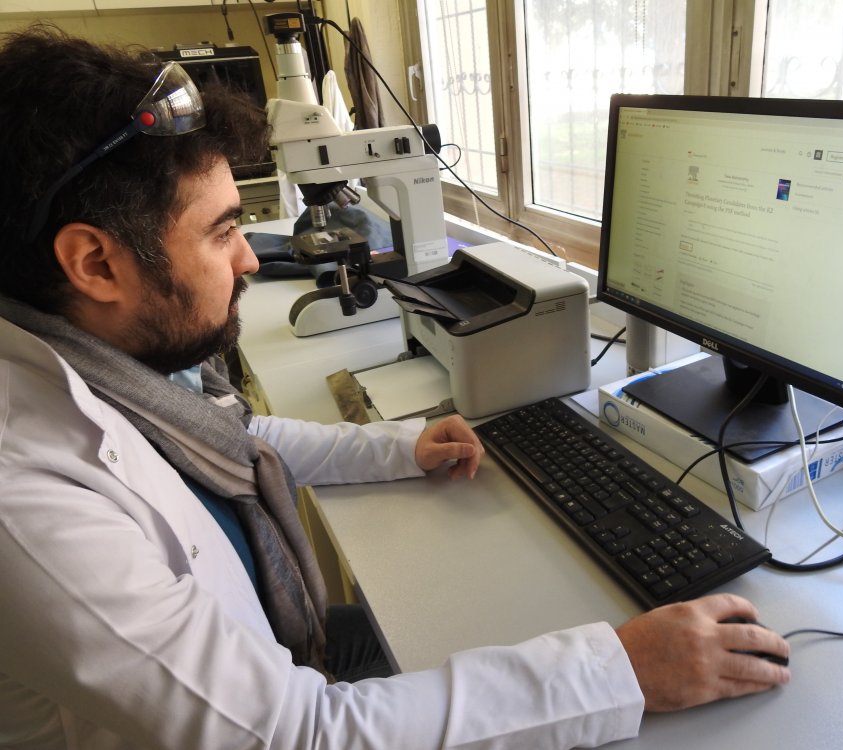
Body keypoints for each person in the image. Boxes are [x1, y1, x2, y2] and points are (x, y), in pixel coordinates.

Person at [0, 25, 790, 750]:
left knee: (466, 629)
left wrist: (397, 447)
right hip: (269, 710)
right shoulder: (29, 501)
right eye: (223, 230)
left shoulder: (106, 361)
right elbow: (300, 732)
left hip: (271, 641)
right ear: (95, 264)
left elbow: (231, 438)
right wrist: (621, 672)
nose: (248, 259)